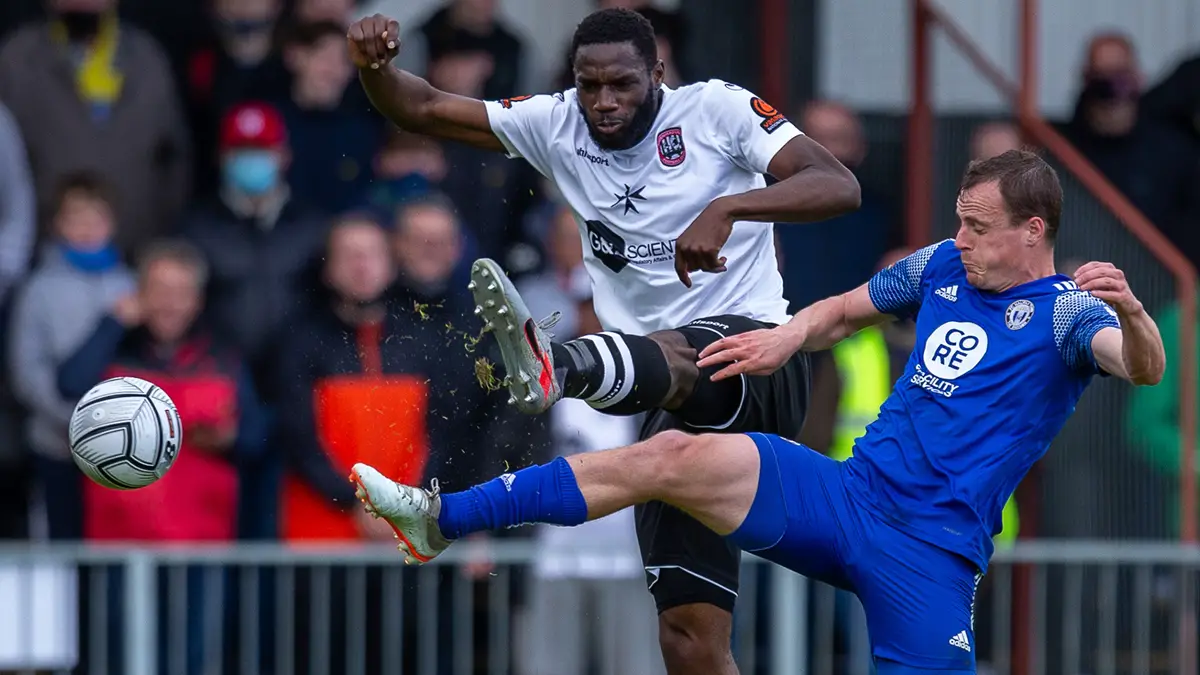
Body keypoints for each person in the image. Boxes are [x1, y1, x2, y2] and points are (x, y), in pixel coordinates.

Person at [351, 150, 1166, 674]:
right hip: (850, 495)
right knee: (672, 457)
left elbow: (1142, 367)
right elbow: (844, 309)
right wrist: (785, 338)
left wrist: (1132, 312)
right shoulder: (944, 265)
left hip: (933, 552)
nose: (959, 235)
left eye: (978, 226)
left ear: (1033, 230)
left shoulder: (1069, 312)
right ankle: (441, 516)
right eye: (958, 218)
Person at [346, 8, 861, 674]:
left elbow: (836, 183)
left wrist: (728, 207)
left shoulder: (718, 111)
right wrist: (376, 68)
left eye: (622, 84)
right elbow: (424, 109)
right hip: (659, 394)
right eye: (590, 85)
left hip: (754, 357)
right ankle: (547, 383)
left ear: (656, 73)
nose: (604, 101)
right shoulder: (558, 122)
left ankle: (556, 365)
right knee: (687, 637)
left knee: (684, 355)